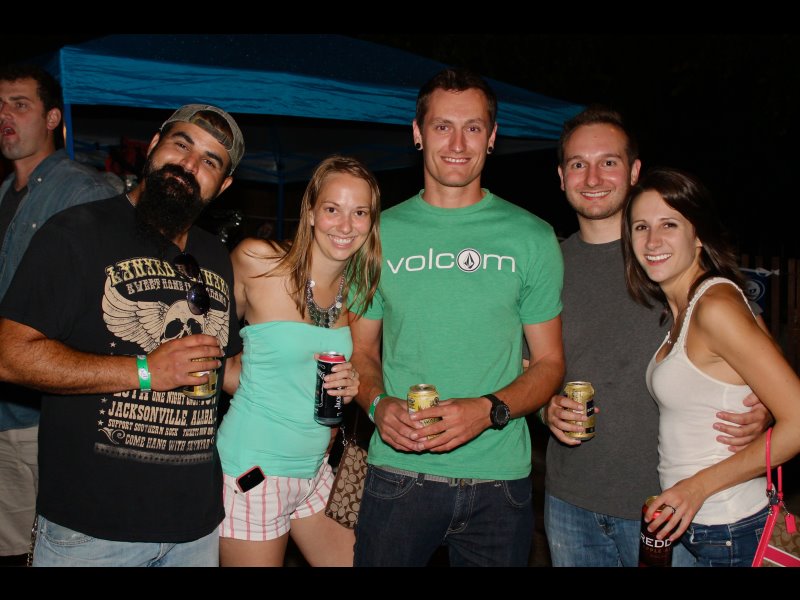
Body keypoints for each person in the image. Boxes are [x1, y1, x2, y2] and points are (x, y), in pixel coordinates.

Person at [0, 103, 246, 567]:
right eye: (181, 144)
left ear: (223, 186)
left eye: (210, 161)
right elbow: (10, 355)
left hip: (195, 529)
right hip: (93, 532)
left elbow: (229, 369)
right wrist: (145, 371)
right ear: (153, 146)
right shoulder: (75, 231)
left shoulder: (215, 255)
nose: (189, 164)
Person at [349, 68, 565, 567]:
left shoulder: (532, 237)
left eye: (473, 128)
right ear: (418, 133)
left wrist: (488, 410)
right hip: (399, 474)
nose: (458, 143)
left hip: (499, 484)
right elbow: (359, 350)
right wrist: (378, 404)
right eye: (443, 126)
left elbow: (550, 363)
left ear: (492, 138)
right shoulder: (376, 234)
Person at [541, 106, 771, 567]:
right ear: (562, 177)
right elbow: (532, 366)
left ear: (634, 171)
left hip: (670, 507)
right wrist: (544, 408)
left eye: (609, 161)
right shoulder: (546, 264)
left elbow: (757, 350)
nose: (593, 177)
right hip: (570, 501)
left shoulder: (668, 251)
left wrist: (763, 407)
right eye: (578, 164)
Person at [621, 166, 800, 567]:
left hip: (733, 527)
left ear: (698, 235)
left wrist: (697, 488)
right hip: (705, 529)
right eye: (640, 227)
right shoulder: (688, 308)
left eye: (669, 224)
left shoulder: (715, 307)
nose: (652, 240)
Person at [216, 155, 381, 567]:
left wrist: (354, 383)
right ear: (309, 212)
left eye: (359, 212)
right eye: (332, 209)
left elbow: (360, 363)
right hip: (255, 469)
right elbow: (212, 347)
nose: (346, 225)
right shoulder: (257, 261)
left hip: (316, 470)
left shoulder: (358, 292)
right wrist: (251, 380)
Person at [0, 64, 118, 563]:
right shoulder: (6, 194)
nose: (4, 115)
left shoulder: (83, 192)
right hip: (8, 411)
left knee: (51, 547)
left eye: (19, 104)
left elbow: (107, 309)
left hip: (45, 416)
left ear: (52, 118)